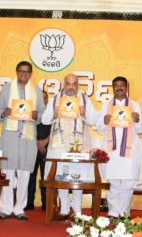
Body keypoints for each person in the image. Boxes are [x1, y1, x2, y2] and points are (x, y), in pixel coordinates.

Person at [42, 73, 95, 221]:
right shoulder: (54, 99)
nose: (71, 87)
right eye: (68, 83)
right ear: (63, 84)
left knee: (77, 177)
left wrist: (85, 114)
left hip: (78, 145)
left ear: (78, 85)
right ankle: (64, 209)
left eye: (74, 84)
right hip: (59, 146)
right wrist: (53, 114)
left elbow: (93, 121)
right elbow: (45, 120)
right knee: (61, 177)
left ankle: (77, 210)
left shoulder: (84, 99)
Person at [0, 61, 45, 220]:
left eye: (27, 72)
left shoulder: (37, 91)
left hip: (28, 136)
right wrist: (4, 111)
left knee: (24, 173)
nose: (24, 74)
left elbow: (43, 115)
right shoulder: (6, 88)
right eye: (21, 71)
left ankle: (19, 209)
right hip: (10, 134)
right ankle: (5, 208)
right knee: (8, 172)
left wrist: (37, 115)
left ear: (30, 74)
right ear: (16, 72)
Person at [96, 76, 142, 218]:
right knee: (113, 182)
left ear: (126, 87)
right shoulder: (106, 106)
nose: (119, 88)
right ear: (112, 87)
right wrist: (104, 122)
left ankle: (124, 212)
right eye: (116, 85)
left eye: (122, 85)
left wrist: (137, 120)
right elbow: (98, 128)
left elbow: (141, 129)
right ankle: (113, 212)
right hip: (112, 151)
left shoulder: (135, 105)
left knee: (128, 183)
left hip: (129, 151)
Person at [24, 90, 51, 211]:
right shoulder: (31, 114)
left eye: (45, 98)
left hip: (48, 148)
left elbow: (57, 130)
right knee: (30, 176)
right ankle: (29, 203)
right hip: (32, 147)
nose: (44, 100)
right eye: (41, 98)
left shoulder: (52, 113)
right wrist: (37, 143)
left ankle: (46, 204)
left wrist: (44, 142)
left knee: (46, 177)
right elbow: (26, 129)